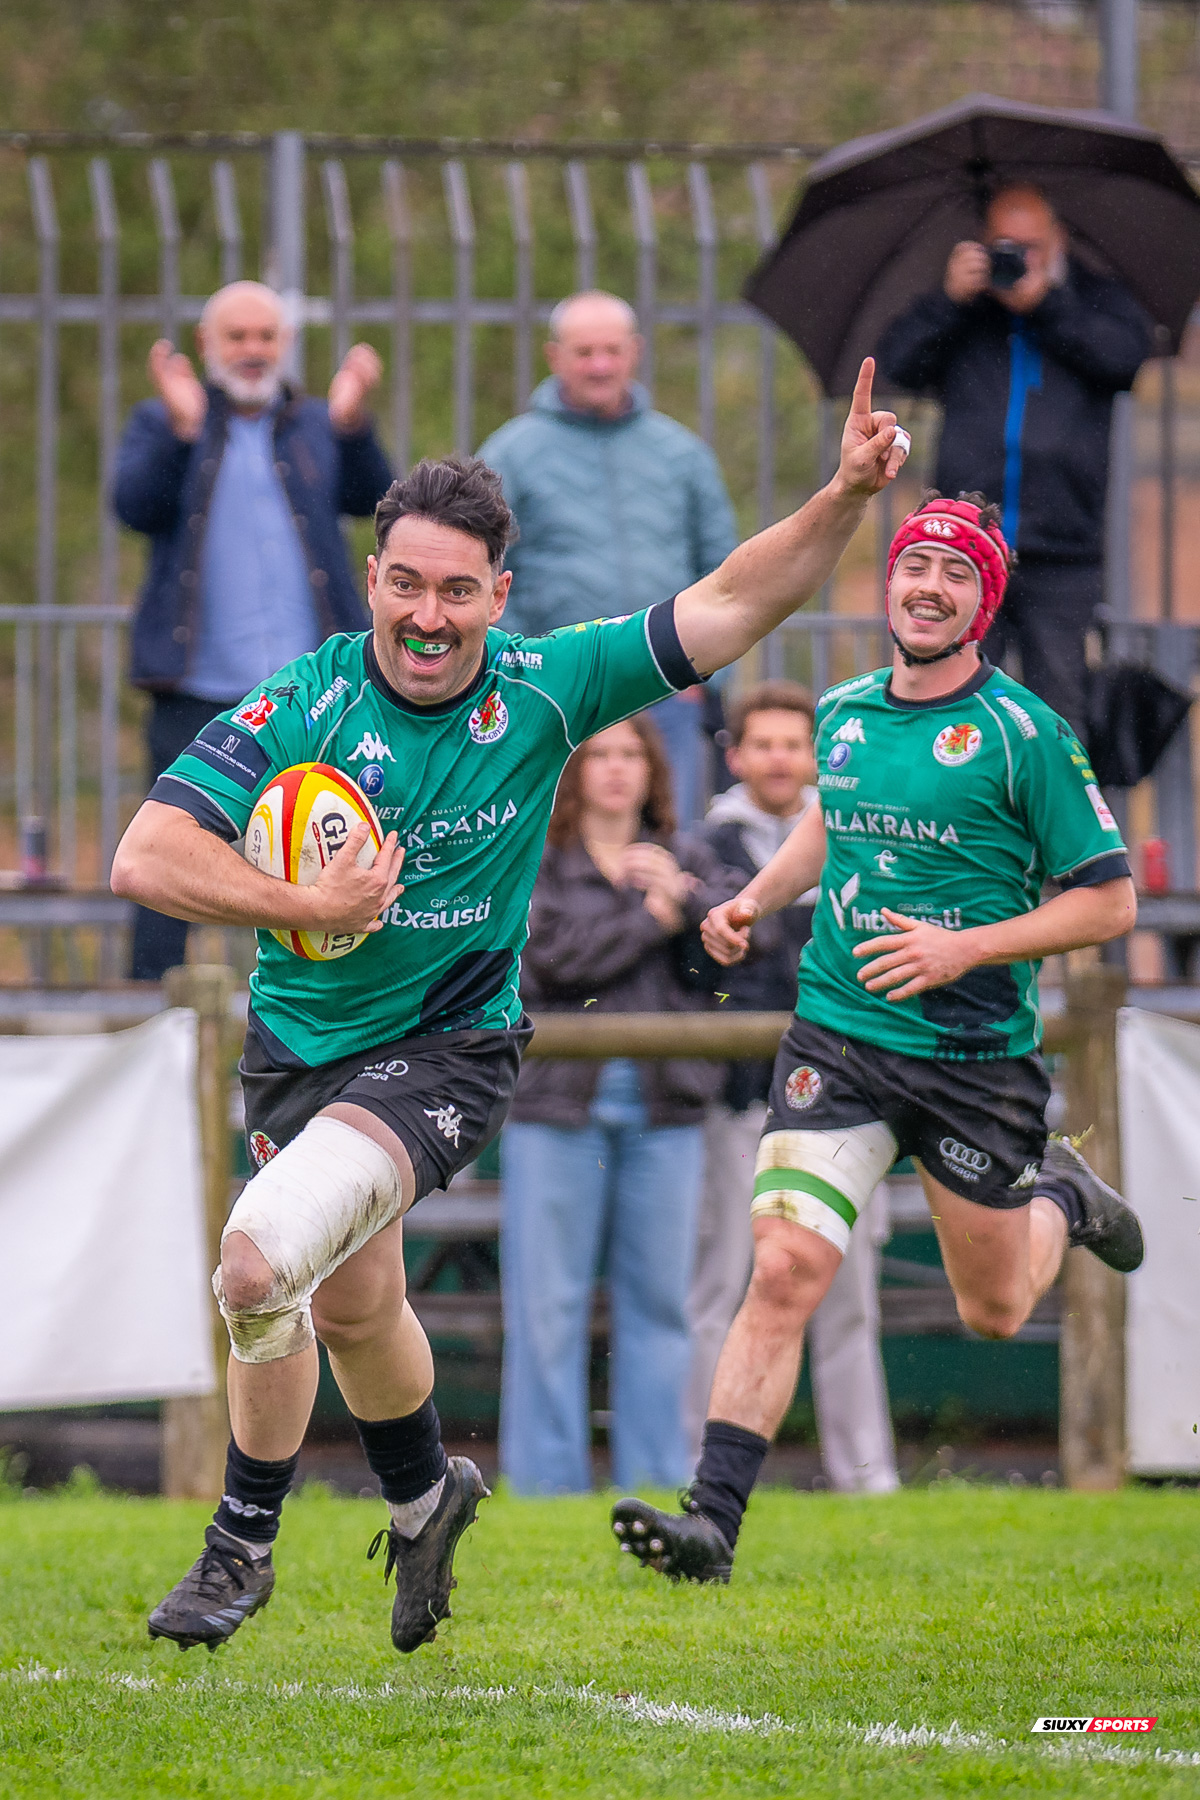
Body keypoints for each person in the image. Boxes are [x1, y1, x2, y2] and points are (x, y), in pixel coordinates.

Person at [109, 358, 908, 1655]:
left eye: (458, 590)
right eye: (407, 583)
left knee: (257, 1263)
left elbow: (729, 601)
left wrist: (842, 496)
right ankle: (427, 1497)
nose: (430, 616)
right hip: (296, 1050)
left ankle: (238, 1544)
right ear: (372, 578)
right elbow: (144, 857)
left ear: (501, 595)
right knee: (358, 1306)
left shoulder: (547, 685)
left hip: (448, 1048)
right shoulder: (302, 699)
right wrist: (297, 898)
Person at [611, 491, 1144, 1586]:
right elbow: (828, 820)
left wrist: (966, 949)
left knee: (993, 1314)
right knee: (785, 1266)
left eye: (956, 576)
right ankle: (712, 1524)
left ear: (981, 605)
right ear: (888, 583)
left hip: (973, 1057)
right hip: (839, 1038)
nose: (929, 588)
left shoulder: (1024, 735)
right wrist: (755, 898)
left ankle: (1063, 1197)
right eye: (915, 568)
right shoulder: (846, 713)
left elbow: (1109, 904)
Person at [113, 279, 393, 980]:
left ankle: (328, 1003)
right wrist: (182, 432)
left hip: (310, 699)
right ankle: (155, 1020)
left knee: (326, 855)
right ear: (207, 345)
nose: (251, 350)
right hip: (197, 691)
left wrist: (354, 424)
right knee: (171, 854)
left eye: (265, 336)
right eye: (236, 337)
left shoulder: (317, 423)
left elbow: (375, 500)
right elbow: (133, 506)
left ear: (285, 345)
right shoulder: (164, 421)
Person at [501, 715, 740, 1495]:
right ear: (574, 772)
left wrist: (685, 900)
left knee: (661, 1308)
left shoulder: (692, 857)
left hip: (667, 1111)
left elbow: (741, 948)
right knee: (545, 1312)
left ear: (653, 768)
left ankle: (659, 1480)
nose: (613, 770)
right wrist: (649, 918)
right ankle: (543, 1487)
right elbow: (555, 962)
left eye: (629, 754)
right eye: (597, 754)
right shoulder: (536, 858)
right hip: (555, 1112)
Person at [689, 680, 898, 1493]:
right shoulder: (705, 842)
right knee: (719, 1292)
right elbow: (708, 959)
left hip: (850, 1100)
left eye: (794, 742)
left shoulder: (859, 835)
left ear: (816, 756)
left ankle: (867, 1475)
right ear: (736, 755)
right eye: (764, 743)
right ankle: (700, 1473)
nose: (780, 757)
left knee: (849, 1303)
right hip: (743, 1101)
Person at [876, 185, 1152, 739]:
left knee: (1057, 712)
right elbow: (899, 363)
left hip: (1064, 548)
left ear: (1058, 240)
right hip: (968, 543)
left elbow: (1125, 359)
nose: (1018, 257)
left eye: (1031, 244)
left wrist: (1043, 304)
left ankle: (1053, 824)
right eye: (1005, 244)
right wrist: (948, 300)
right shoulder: (966, 309)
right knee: (952, 698)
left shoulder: (1095, 298)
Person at [477, 289, 738, 824]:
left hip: (667, 683)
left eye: (612, 351)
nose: (600, 365)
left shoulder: (682, 454)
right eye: (584, 351)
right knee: (553, 844)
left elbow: (727, 573)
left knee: (671, 843)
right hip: (557, 688)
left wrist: (708, 677)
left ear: (635, 351)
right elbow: (482, 572)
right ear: (555, 357)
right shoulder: (511, 455)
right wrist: (523, 669)